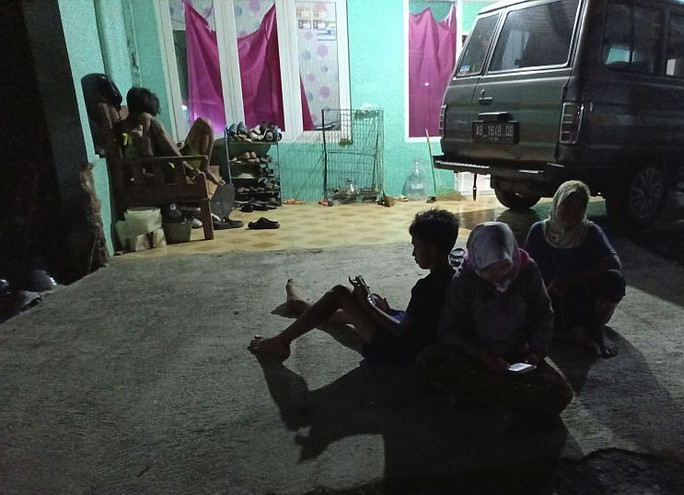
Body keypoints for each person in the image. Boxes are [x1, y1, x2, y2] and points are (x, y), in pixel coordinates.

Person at [247, 209, 460, 365]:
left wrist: (367, 304)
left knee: (340, 294)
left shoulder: (426, 287)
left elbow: (401, 331)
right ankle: (300, 305)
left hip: (402, 350)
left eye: (416, 246)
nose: (413, 253)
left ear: (432, 249)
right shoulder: (454, 276)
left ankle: (282, 341)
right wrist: (379, 309)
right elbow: (423, 319)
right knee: (358, 307)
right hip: (420, 336)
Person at [416, 222, 572, 420]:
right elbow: (448, 331)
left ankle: (483, 397)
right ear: (478, 262)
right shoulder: (465, 279)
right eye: (489, 269)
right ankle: (506, 401)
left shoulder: (527, 270)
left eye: (504, 265)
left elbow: (544, 315)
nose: (498, 274)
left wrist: (535, 352)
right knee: (428, 360)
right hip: (476, 359)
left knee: (560, 393)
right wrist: (484, 357)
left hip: (518, 357)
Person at [523, 180, 626, 358]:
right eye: (568, 203)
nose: (573, 210)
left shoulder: (589, 231)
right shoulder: (539, 231)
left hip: (579, 298)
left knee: (614, 279)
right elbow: (526, 269)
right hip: (548, 298)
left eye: (579, 205)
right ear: (557, 202)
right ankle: (574, 335)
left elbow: (614, 262)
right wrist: (544, 288)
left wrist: (573, 280)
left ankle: (596, 329)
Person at [115, 87, 225, 186]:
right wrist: (147, 123)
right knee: (156, 125)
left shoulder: (142, 124)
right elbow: (148, 154)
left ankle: (205, 168)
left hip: (178, 160)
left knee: (204, 123)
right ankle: (189, 170)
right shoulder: (129, 130)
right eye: (147, 115)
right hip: (169, 169)